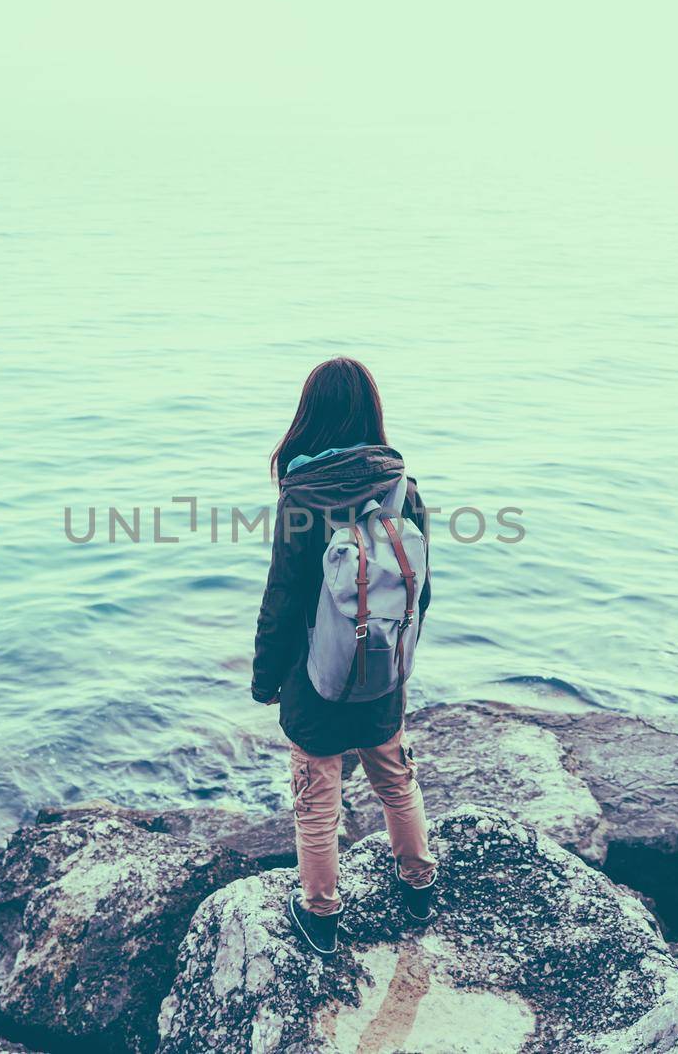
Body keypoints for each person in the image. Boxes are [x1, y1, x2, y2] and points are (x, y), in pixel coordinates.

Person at [251, 356, 437, 956]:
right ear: (370, 412)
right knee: (395, 778)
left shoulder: (301, 498)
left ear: (310, 417)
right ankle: (418, 885)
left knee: (317, 796)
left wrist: (265, 679)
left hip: (315, 677)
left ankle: (322, 917)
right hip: (383, 669)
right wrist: (394, 656)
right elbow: (422, 589)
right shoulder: (402, 488)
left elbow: (282, 599)